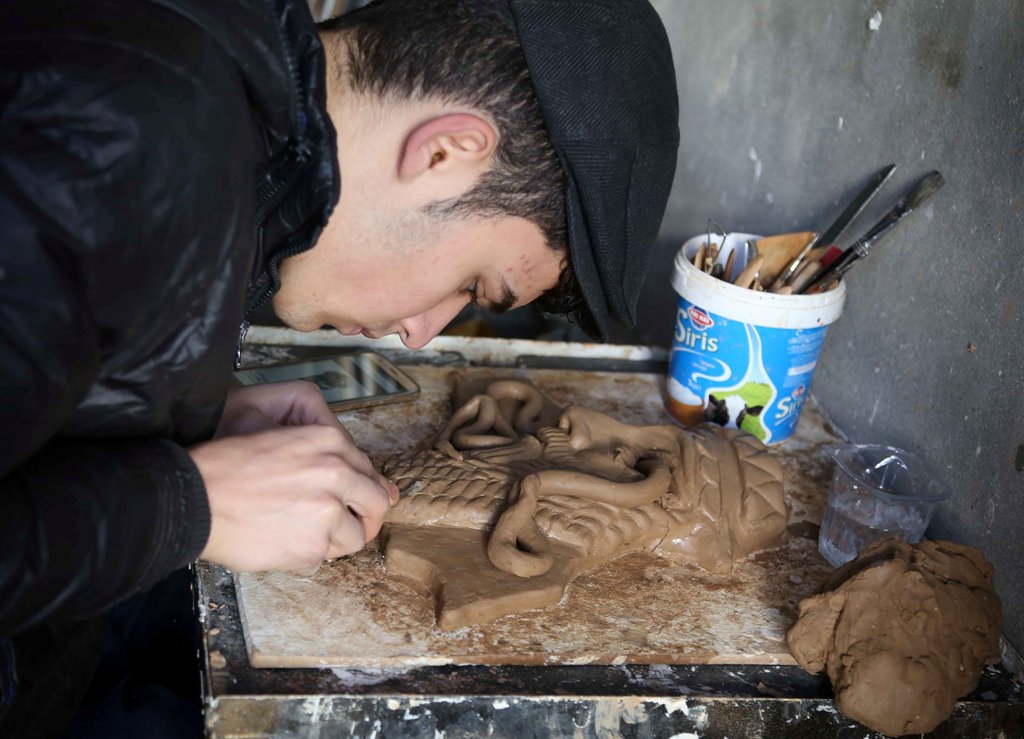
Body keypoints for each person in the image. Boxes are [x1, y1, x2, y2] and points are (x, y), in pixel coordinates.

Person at [0, 0, 678, 734]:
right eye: (472, 284)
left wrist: (185, 412)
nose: (419, 334)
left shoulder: (233, 109)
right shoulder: (113, 143)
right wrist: (188, 508)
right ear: (444, 154)